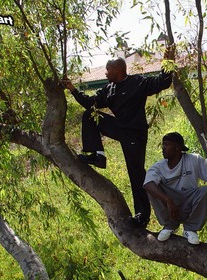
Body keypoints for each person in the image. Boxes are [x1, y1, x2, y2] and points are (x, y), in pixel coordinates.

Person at [63, 47, 174, 228]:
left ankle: (142, 216)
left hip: (136, 135)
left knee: (136, 173)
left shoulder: (137, 82)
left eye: (108, 70)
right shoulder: (110, 89)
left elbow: (162, 82)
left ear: (118, 70)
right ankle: (97, 155)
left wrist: (168, 64)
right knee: (89, 115)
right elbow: (90, 103)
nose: (105, 73)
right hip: (120, 128)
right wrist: (73, 89)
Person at [143, 132, 207, 245]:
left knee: (206, 191)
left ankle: (190, 229)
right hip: (170, 206)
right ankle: (170, 225)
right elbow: (147, 184)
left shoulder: (194, 159)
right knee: (153, 188)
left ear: (177, 147)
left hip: (189, 202)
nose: (163, 148)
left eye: (166, 145)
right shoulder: (159, 166)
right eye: (163, 145)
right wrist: (168, 200)